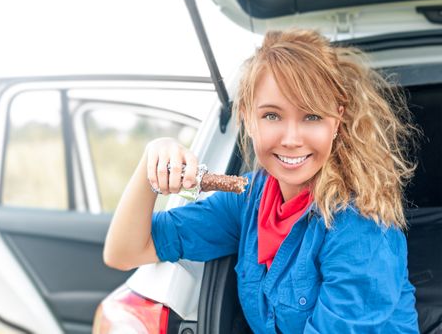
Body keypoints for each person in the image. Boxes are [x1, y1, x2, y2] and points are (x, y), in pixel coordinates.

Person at [103, 29, 420, 333]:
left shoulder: (359, 227)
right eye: (272, 115)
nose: (292, 139)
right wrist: (152, 159)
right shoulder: (248, 197)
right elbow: (124, 251)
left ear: (336, 120)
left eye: (311, 116)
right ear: (247, 118)